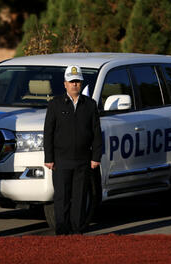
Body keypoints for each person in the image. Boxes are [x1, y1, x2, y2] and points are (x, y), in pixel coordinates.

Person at [43, 65, 102, 235]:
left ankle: (78, 231)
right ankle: (62, 231)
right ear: (65, 84)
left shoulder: (90, 105)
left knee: (80, 197)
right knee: (62, 197)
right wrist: (49, 157)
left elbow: (96, 133)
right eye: (71, 81)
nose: (74, 84)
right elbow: (48, 132)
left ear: (81, 83)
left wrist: (95, 157)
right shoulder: (55, 104)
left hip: (83, 160)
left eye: (77, 81)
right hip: (61, 160)